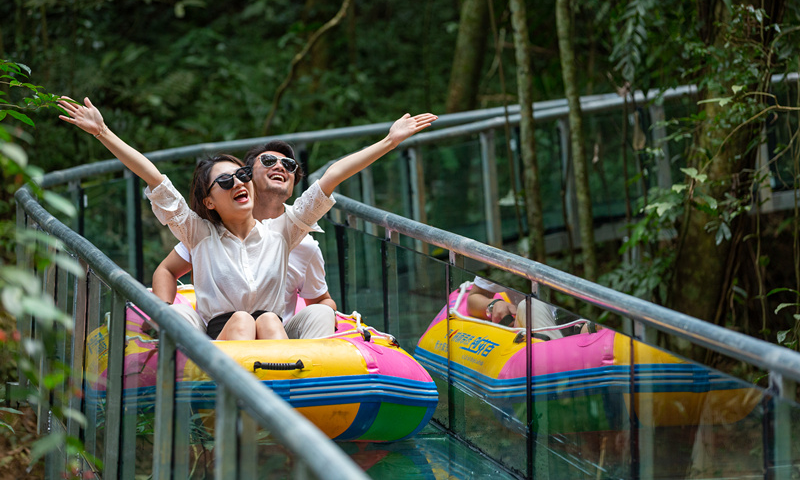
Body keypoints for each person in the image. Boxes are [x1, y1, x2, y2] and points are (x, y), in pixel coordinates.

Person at [58, 96, 436, 341]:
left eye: (241, 176)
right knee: (242, 320)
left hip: (274, 336)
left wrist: (390, 141)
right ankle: (236, 414)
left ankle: (292, 408)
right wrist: (104, 132)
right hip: (225, 335)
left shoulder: (285, 232)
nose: (239, 182)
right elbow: (155, 179)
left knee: (269, 321)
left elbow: (331, 177)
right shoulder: (198, 233)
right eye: (225, 181)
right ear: (209, 201)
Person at [152, 140, 338, 339]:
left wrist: (329, 315)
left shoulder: (299, 240)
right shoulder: (207, 235)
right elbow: (167, 269)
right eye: (268, 161)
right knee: (239, 320)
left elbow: (321, 300)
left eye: (289, 165)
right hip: (220, 334)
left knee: (276, 320)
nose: (280, 166)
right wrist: (160, 312)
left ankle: (302, 366)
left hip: (276, 333)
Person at [466, 276, 562, 340]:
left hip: (569, 331)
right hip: (525, 332)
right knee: (530, 306)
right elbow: (474, 298)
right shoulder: (505, 253)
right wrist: (494, 304)